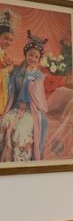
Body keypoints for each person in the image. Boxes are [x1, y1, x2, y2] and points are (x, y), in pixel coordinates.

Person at [0, 31, 48, 162]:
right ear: (26, 55)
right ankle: (7, 160)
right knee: (5, 123)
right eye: (30, 55)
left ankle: (21, 160)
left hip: (31, 110)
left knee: (21, 130)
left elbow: (38, 98)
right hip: (16, 107)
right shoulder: (17, 70)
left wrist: (30, 81)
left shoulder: (39, 76)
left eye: (36, 57)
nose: (32, 59)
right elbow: (10, 89)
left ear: (39, 59)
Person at [0, 11, 14, 113]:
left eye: (11, 40)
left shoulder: (3, 53)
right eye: (6, 38)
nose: (8, 42)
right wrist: (5, 69)